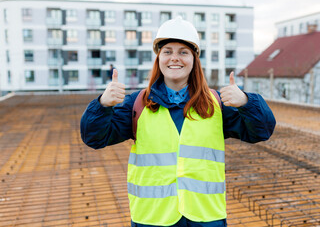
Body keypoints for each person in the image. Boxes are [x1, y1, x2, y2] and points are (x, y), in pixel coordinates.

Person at [81, 16, 276, 227]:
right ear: (159, 58)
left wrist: (246, 102)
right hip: (153, 219)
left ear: (194, 60)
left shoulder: (217, 104)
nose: (175, 58)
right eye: (168, 52)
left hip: (205, 218)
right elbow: (94, 137)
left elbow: (262, 130)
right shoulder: (136, 104)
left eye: (183, 52)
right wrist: (102, 105)